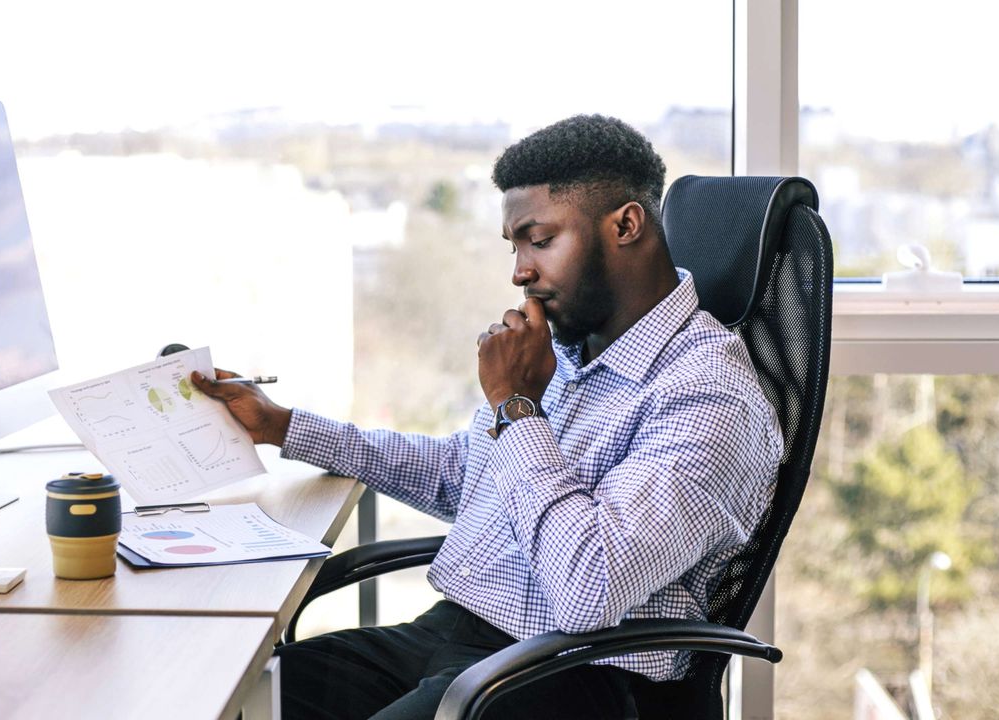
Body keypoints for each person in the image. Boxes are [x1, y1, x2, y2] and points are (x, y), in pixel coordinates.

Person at [190, 114, 783, 719]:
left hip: (571, 674)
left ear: (625, 225)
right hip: (449, 637)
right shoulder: (573, 355)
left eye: (540, 240)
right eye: (515, 245)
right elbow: (457, 473)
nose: (519, 270)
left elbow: (590, 587)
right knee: (228, 696)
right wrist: (282, 426)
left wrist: (517, 406)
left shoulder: (710, 395)